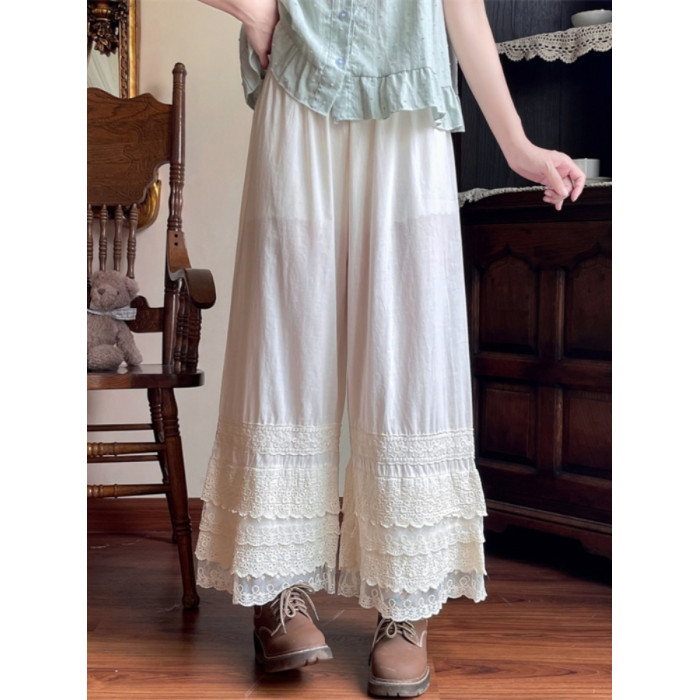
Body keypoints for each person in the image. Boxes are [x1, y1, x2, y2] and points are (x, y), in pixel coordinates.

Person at [195, 1, 586, 697]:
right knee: (286, 327)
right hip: (300, 86)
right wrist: (252, 9)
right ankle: (277, 585)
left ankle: (406, 597)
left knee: (410, 338)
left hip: (410, 103)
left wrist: (518, 146)